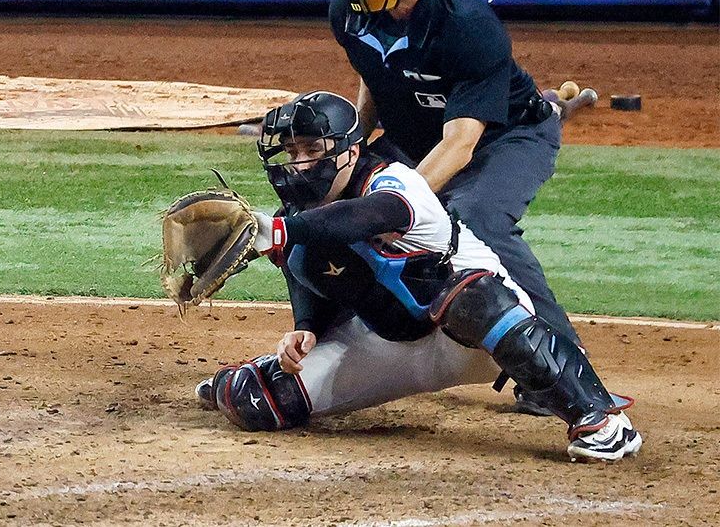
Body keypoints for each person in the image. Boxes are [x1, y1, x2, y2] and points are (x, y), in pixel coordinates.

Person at [194, 91, 641, 462]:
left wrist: (280, 230)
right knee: (254, 400)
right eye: (291, 153)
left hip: (478, 334)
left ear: (351, 151)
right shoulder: (293, 223)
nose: (299, 164)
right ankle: (268, 381)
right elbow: (307, 275)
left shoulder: (394, 182)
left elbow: (366, 217)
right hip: (390, 347)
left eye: (313, 150)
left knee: (471, 294)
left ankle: (601, 419)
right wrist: (306, 328)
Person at [324, 0, 588, 415]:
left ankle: (561, 366)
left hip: (506, 139)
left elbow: (461, 144)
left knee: (476, 218)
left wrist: (397, 206)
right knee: (330, 198)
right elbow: (376, 75)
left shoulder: (467, 26)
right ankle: (326, 340)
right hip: (419, 136)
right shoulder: (348, 11)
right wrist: (355, 148)